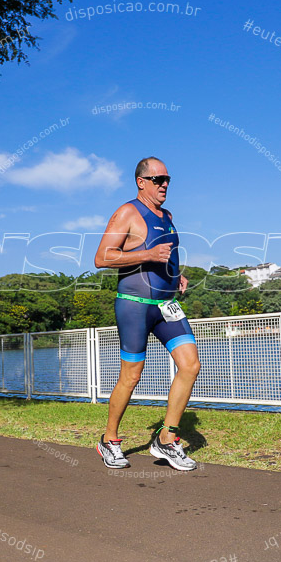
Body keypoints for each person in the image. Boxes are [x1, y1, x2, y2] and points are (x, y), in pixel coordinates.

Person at [93, 156, 202, 471]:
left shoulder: (167, 215)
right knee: (132, 376)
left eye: (168, 179)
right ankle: (109, 440)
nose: (164, 184)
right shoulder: (127, 212)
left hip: (166, 305)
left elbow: (164, 255)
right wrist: (148, 254)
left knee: (190, 364)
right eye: (158, 179)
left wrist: (175, 275)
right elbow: (102, 257)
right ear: (141, 182)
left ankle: (167, 438)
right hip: (134, 305)